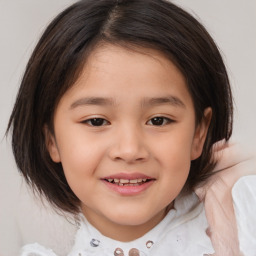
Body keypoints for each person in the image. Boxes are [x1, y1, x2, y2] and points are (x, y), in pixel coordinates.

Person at [7, 0, 256, 255]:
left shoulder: (246, 231)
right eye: (96, 121)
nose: (129, 150)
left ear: (199, 133)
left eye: (158, 120)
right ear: (51, 139)